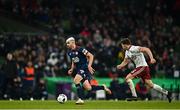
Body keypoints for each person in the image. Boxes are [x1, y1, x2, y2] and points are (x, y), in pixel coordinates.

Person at [116, 38, 172, 103]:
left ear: (125, 44)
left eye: (122, 45)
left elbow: (146, 49)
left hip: (142, 67)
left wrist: (151, 58)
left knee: (128, 78)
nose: (122, 46)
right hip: (143, 68)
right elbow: (125, 61)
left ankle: (134, 96)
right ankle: (167, 93)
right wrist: (120, 65)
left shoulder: (134, 48)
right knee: (151, 85)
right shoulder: (127, 52)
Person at [66, 37, 111, 104]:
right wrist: (72, 68)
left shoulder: (80, 49)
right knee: (88, 88)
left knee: (76, 80)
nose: (67, 44)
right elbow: (73, 60)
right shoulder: (69, 52)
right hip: (79, 69)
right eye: (66, 43)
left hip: (84, 67)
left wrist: (89, 65)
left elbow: (91, 56)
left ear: (73, 42)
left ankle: (80, 99)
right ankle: (103, 87)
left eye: (68, 43)